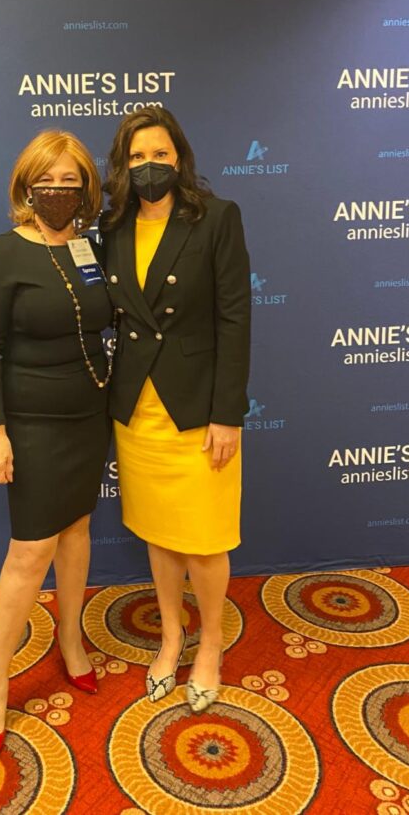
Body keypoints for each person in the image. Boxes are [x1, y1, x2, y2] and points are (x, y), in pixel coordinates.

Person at [101, 106, 250, 714]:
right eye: (137, 158)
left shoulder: (216, 218)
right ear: (123, 166)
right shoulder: (111, 229)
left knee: (206, 539)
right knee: (161, 536)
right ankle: (172, 635)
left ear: (180, 159)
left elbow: (235, 318)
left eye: (159, 155)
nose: (149, 167)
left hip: (197, 407)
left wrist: (228, 413)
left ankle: (210, 643)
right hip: (137, 409)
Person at [0, 130, 113, 760]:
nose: (59, 189)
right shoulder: (3, 254)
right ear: (27, 184)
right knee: (30, 552)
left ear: (86, 187)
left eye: (71, 179)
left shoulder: (89, 246)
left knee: (77, 530)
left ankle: (71, 640)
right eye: (47, 178)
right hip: (29, 421)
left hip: (90, 415)